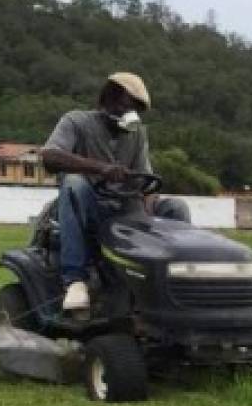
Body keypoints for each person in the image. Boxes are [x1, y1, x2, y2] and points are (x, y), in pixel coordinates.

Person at [40, 72, 190, 314]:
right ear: (108, 99)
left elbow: (144, 177)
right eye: (125, 106)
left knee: (176, 207)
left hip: (127, 209)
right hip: (92, 209)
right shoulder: (76, 122)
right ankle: (75, 282)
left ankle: (176, 281)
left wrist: (148, 206)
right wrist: (101, 169)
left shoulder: (137, 133)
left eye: (135, 109)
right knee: (74, 183)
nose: (129, 114)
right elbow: (49, 157)